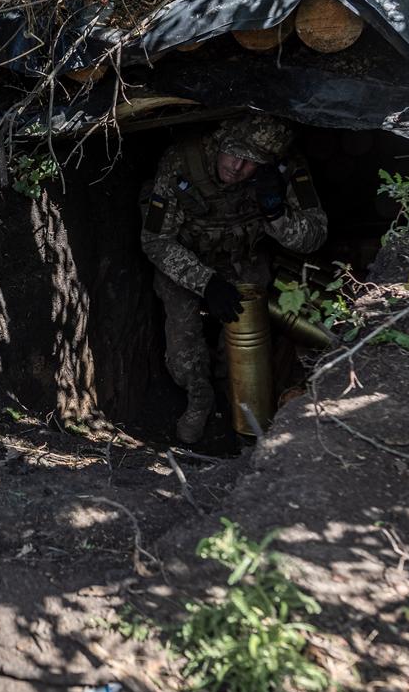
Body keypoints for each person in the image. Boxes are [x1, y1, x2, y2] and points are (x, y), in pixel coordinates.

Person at [140, 113, 328, 444]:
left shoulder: (283, 168)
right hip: (186, 261)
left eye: (251, 163)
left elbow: (314, 237)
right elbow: (155, 240)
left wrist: (276, 211)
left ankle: (239, 401)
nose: (238, 168)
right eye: (235, 154)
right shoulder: (182, 161)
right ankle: (199, 395)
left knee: (246, 327)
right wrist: (206, 283)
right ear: (219, 142)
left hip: (244, 258)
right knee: (183, 340)